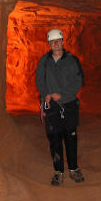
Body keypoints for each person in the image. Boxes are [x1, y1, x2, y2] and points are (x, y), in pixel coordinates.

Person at [36, 28, 85, 186]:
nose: (55, 44)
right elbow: (40, 80)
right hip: (51, 107)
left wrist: (62, 95)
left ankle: (73, 169)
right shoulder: (44, 61)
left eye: (58, 41)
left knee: (70, 138)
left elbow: (77, 83)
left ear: (63, 42)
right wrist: (46, 95)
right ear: (49, 44)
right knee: (54, 139)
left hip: (69, 105)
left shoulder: (72, 60)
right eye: (52, 41)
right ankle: (59, 171)